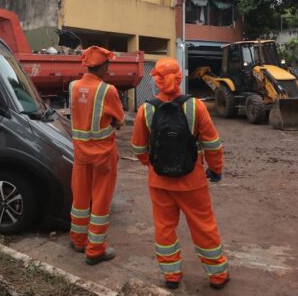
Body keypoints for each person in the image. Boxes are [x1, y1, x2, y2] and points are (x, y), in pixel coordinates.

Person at [130, 58, 230, 290]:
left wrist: (152, 165)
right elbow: (212, 144)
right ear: (179, 79)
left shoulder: (146, 109)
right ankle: (217, 276)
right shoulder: (196, 106)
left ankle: (171, 276)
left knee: (164, 227)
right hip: (192, 181)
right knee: (204, 226)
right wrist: (215, 170)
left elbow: (137, 147)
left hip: (159, 182)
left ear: (155, 81)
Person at [69, 46, 125, 264]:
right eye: (107, 66)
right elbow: (119, 120)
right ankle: (95, 251)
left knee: (80, 199)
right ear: (102, 66)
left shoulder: (74, 87)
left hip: (80, 154)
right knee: (100, 203)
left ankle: (78, 240)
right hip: (102, 155)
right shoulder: (107, 90)